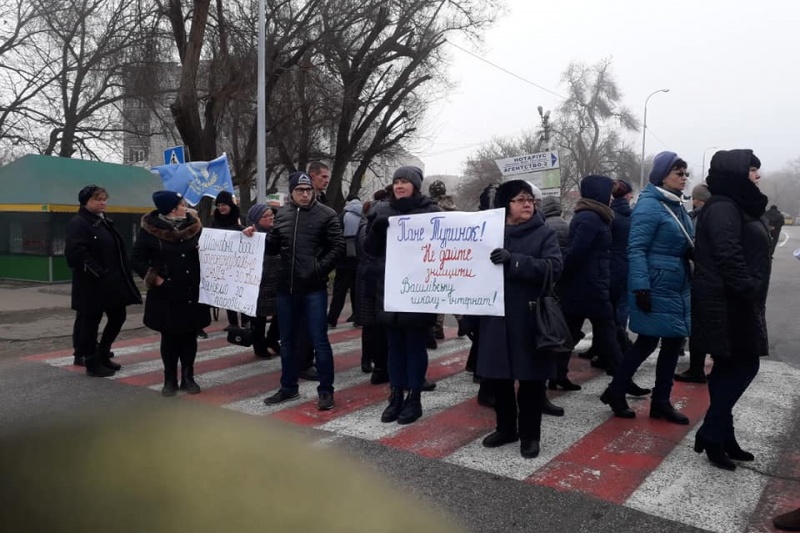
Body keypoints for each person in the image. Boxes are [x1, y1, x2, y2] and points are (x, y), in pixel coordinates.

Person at [601, 151, 693, 424]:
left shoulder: (676, 205)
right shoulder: (650, 206)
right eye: (679, 173)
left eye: (686, 174)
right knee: (647, 343)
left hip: (676, 283)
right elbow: (637, 248)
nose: (684, 178)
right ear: (662, 175)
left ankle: (659, 401)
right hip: (656, 283)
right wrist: (641, 287)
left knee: (672, 341)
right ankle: (618, 392)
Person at [692, 150, 771, 471]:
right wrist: (748, 286)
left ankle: (724, 435)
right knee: (744, 366)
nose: (758, 175)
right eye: (753, 169)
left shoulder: (734, 204)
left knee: (726, 370)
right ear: (737, 172)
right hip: (727, 304)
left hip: (732, 302)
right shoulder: (724, 206)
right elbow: (727, 254)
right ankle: (712, 432)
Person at [476, 180, 563, 459]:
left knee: (531, 381)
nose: (527, 204)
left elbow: (554, 267)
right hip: (495, 316)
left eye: (530, 199)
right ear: (505, 205)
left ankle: (529, 435)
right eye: (519, 200)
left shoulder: (543, 233)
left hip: (529, 317)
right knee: (499, 377)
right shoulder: (490, 233)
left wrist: (514, 261)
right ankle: (506, 428)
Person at [260, 172, 344, 411]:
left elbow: (337, 248)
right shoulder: (283, 215)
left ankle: (326, 391)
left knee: (319, 341)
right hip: (286, 289)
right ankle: (288, 387)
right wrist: (255, 235)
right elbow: (274, 246)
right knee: (286, 341)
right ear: (292, 192)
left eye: (309, 190)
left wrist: (317, 270)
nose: (306, 194)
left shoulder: (326, 214)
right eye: (300, 190)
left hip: (313, 290)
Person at [365, 166, 440, 425]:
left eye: (405, 181)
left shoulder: (431, 212)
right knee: (394, 348)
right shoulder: (381, 211)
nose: (399, 185)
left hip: (418, 292)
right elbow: (369, 252)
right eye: (396, 181)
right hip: (389, 291)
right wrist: (376, 229)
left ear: (416, 186)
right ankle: (396, 395)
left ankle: (415, 398)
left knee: (415, 347)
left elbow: (443, 249)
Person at [131, 191, 210, 396]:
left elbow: (214, 248)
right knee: (170, 337)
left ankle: (188, 377)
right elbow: (137, 259)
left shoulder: (194, 228)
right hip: (166, 293)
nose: (185, 207)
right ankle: (169, 379)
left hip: (192, 290)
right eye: (182, 204)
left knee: (189, 336)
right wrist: (155, 278)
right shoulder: (150, 231)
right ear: (172, 209)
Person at [65, 185, 142, 376]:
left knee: (118, 316)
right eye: (97, 199)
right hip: (92, 285)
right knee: (90, 323)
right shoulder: (79, 223)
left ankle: (103, 352)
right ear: (85, 202)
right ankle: (91, 361)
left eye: (104, 199)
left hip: (112, 283)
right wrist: (99, 273)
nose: (103, 202)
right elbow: (77, 254)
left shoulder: (103, 221)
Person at [557, 174, 621, 388]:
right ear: (599, 193)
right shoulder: (590, 218)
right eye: (608, 193)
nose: (611, 198)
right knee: (607, 332)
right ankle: (621, 383)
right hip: (589, 287)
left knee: (572, 332)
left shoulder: (595, 216)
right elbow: (576, 253)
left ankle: (557, 375)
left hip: (588, 285)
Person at [674, 182, 713, 384]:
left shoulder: (701, 217)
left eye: (695, 198)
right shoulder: (714, 215)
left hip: (700, 276)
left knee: (698, 322)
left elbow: (695, 245)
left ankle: (696, 368)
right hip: (704, 276)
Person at [245, 204, 281, 359]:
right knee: (258, 317)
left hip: (278, 279)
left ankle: (272, 340)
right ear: (256, 220)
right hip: (258, 282)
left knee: (280, 313)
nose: (270, 217)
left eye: (271, 214)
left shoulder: (278, 232)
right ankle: (259, 346)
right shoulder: (250, 235)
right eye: (265, 216)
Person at [211, 190, 246, 332]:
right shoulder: (215, 221)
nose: (221, 208)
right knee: (228, 293)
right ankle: (233, 322)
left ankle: (246, 319)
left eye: (224, 204)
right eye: (219, 205)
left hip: (240, 263)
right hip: (224, 264)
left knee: (241, 293)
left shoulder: (240, 218)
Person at [327, 194, 362, 328]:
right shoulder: (364, 214)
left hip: (344, 260)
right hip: (359, 260)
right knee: (356, 291)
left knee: (339, 292)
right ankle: (358, 318)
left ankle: (332, 319)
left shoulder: (343, 215)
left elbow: (336, 236)